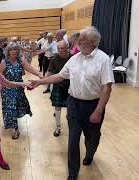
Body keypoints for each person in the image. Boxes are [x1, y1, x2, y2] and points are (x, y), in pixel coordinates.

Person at [28, 27, 114, 180]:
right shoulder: (74, 58)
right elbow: (59, 76)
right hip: (74, 103)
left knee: (92, 137)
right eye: (79, 39)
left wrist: (99, 111)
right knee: (73, 139)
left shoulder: (103, 59)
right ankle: (73, 173)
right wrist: (40, 82)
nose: (78, 42)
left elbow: (107, 88)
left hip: (93, 105)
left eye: (82, 40)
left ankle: (90, 153)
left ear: (93, 42)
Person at [0, 42, 42, 139]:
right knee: (11, 108)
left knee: (17, 106)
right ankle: (16, 129)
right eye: (11, 50)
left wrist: (38, 74)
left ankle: (15, 125)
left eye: (15, 49)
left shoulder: (21, 60)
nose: (13, 51)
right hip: (7, 89)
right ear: (8, 52)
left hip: (19, 88)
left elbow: (29, 68)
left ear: (18, 51)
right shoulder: (4, 62)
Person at [46, 40, 72, 137]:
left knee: (70, 107)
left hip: (71, 86)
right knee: (58, 106)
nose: (61, 50)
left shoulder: (73, 58)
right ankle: (58, 127)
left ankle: (71, 126)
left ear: (68, 49)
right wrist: (43, 79)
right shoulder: (54, 59)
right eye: (59, 49)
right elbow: (49, 73)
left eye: (63, 48)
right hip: (58, 85)